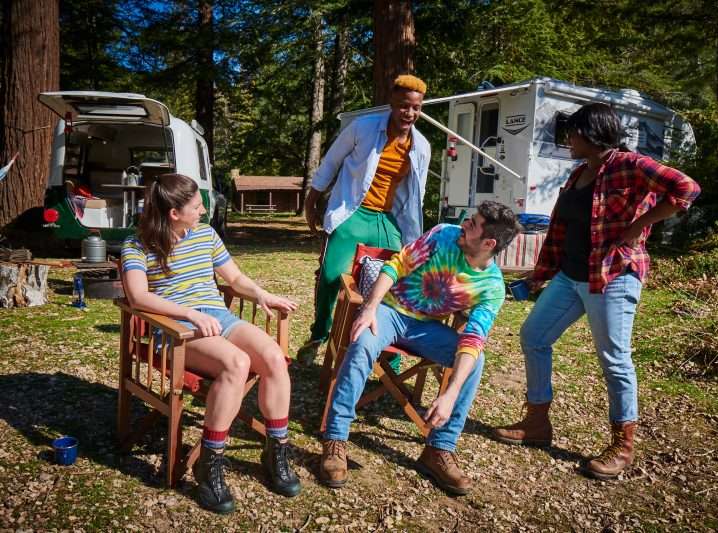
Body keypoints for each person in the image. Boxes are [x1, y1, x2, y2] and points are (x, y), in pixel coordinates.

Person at [492, 103, 701, 479]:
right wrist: (541, 274)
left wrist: (640, 225)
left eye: (572, 133)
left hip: (613, 275)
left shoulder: (630, 165)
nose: (568, 139)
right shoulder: (577, 175)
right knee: (534, 336)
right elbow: (562, 229)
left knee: (614, 359)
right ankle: (537, 423)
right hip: (570, 276)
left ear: (591, 134)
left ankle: (623, 445)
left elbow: (687, 188)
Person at [120, 174, 302, 514]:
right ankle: (210, 462)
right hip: (176, 330)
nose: (204, 210)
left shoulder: (205, 234)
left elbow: (233, 278)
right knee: (237, 364)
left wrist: (262, 293)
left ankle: (276, 448)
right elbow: (138, 296)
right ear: (174, 213)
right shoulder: (137, 245)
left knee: (274, 358)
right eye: (196, 206)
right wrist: (188, 313)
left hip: (218, 318)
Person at [319, 201, 521, 495]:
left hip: (426, 329)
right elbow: (397, 264)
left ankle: (439, 449)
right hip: (390, 312)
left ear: (489, 243)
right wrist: (370, 307)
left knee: (474, 361)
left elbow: (474, 339)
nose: (464, 223)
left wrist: (450, 395)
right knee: (363, 341)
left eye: (473, 224)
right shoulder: (444, 236)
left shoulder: (491, 287)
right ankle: (335, 439)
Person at [299, 74, 431, 370]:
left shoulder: (421, 147)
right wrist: (311, 203)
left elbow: (416, 194)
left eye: (415, 108)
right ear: (391, 103)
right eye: (403, 106)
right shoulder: (362, 128)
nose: (409, 113)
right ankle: (318, 336)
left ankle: (389, 353)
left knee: (395, 283)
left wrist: (410, 234)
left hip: (387, 220)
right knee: (332, 275)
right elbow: (330, 163)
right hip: (353, 212)